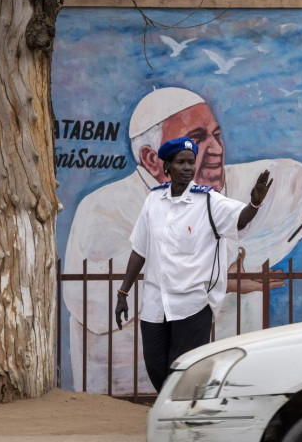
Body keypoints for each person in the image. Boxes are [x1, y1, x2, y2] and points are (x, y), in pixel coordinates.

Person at [64, 82, 302, 392]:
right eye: (197, 139)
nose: (216, 148)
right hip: (129, 392)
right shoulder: (105, 209)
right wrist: (214, 278)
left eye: (216, 134)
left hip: (230, 387)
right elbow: (94, 299)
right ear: (152, 159)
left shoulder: (241, 186)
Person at [114, 137, 272, 392]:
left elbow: (239, 220)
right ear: (167, 167)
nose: (187, 167)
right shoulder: (153, 200)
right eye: (180, 163)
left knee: (183, 369)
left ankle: (180, 419)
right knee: (156, 367)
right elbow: (139, 250)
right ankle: (177, 412)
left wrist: (254, 204)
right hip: (156, 302)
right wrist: (123, 292)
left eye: (191, 162)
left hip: (193, 303)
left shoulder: (209, 201)